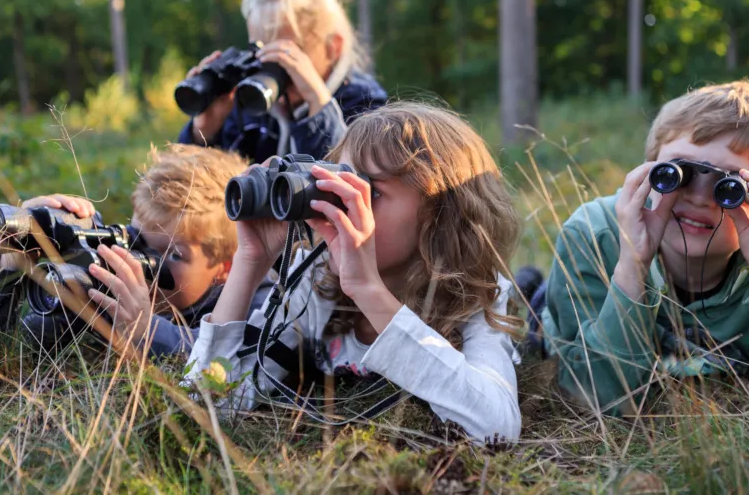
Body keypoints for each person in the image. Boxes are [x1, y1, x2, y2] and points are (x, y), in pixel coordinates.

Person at [184, 103, 524, 442]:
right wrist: (250, 262)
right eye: (337, 184)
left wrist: (368, 289)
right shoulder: (316, 280)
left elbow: (496, 430)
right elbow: (209, 401)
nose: (342, 205)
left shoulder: (480, 297)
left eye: (369, 192)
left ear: (440, 218)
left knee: (530, 307)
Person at [523, 80, 749, 415]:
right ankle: (533, 291)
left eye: (731, 186)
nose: (698, 197)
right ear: (650, 168)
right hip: (586, 291)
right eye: (681, 174)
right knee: (540, 324)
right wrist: (632, 265)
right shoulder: (594, 236)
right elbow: (590, 394)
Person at [0, 144, 246, 358]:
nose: (141, 265)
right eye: (136, 239)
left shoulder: (247, 301)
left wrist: (147, 330)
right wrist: (13, 262)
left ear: (226, 267)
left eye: (174, 254)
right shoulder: (108, 292)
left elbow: (223, 363)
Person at [178, 0, 387, 162]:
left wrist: (319, 106)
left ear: (333, 48)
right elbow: (195, 193)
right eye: (260, 50)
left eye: (287, 51)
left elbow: (352, 186)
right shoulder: (252, 101)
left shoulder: (368, 107)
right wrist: (203, 133)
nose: (272, 65)